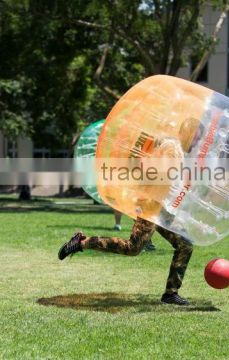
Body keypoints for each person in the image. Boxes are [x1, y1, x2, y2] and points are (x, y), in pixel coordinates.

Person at [58, 118, 203, 305]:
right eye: (197, 136)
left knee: (185, 246)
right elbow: (151, 171)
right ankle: (82, 242)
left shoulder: (177, 150)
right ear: (189, 132)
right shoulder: (171, 147)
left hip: (163, 208)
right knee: (132, 249)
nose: (198, 141)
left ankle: (170, 293)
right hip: (151, 206)